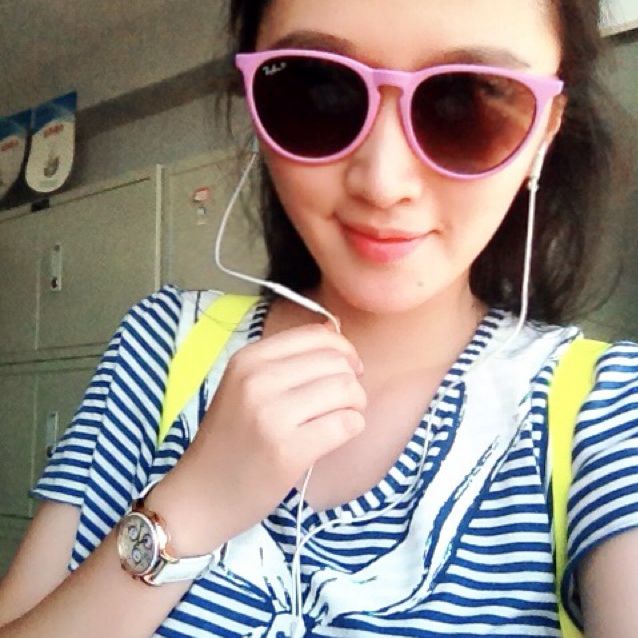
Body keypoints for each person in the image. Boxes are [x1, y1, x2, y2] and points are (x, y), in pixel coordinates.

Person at [0, 1, 636, 636]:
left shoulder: (606, 412)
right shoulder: (162, 345)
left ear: (545, 132)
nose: (382, 182)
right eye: (319, 90)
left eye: (465, 104)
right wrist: (190, 508)